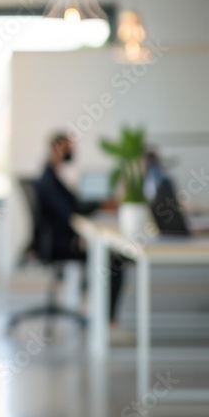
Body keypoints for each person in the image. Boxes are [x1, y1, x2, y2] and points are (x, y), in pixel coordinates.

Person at [36, 133, 129, 332]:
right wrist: (101, 205)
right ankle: (107, 324)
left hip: (58, 241)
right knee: (115, 261)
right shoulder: (50, 179)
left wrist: (98, 204)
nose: (72, 153)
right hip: (59, 245)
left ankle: (97, 313)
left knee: (109, 258)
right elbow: (71, 211)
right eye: (68, 148)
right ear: (56, 150)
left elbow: (74, 204)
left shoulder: (53, 175)